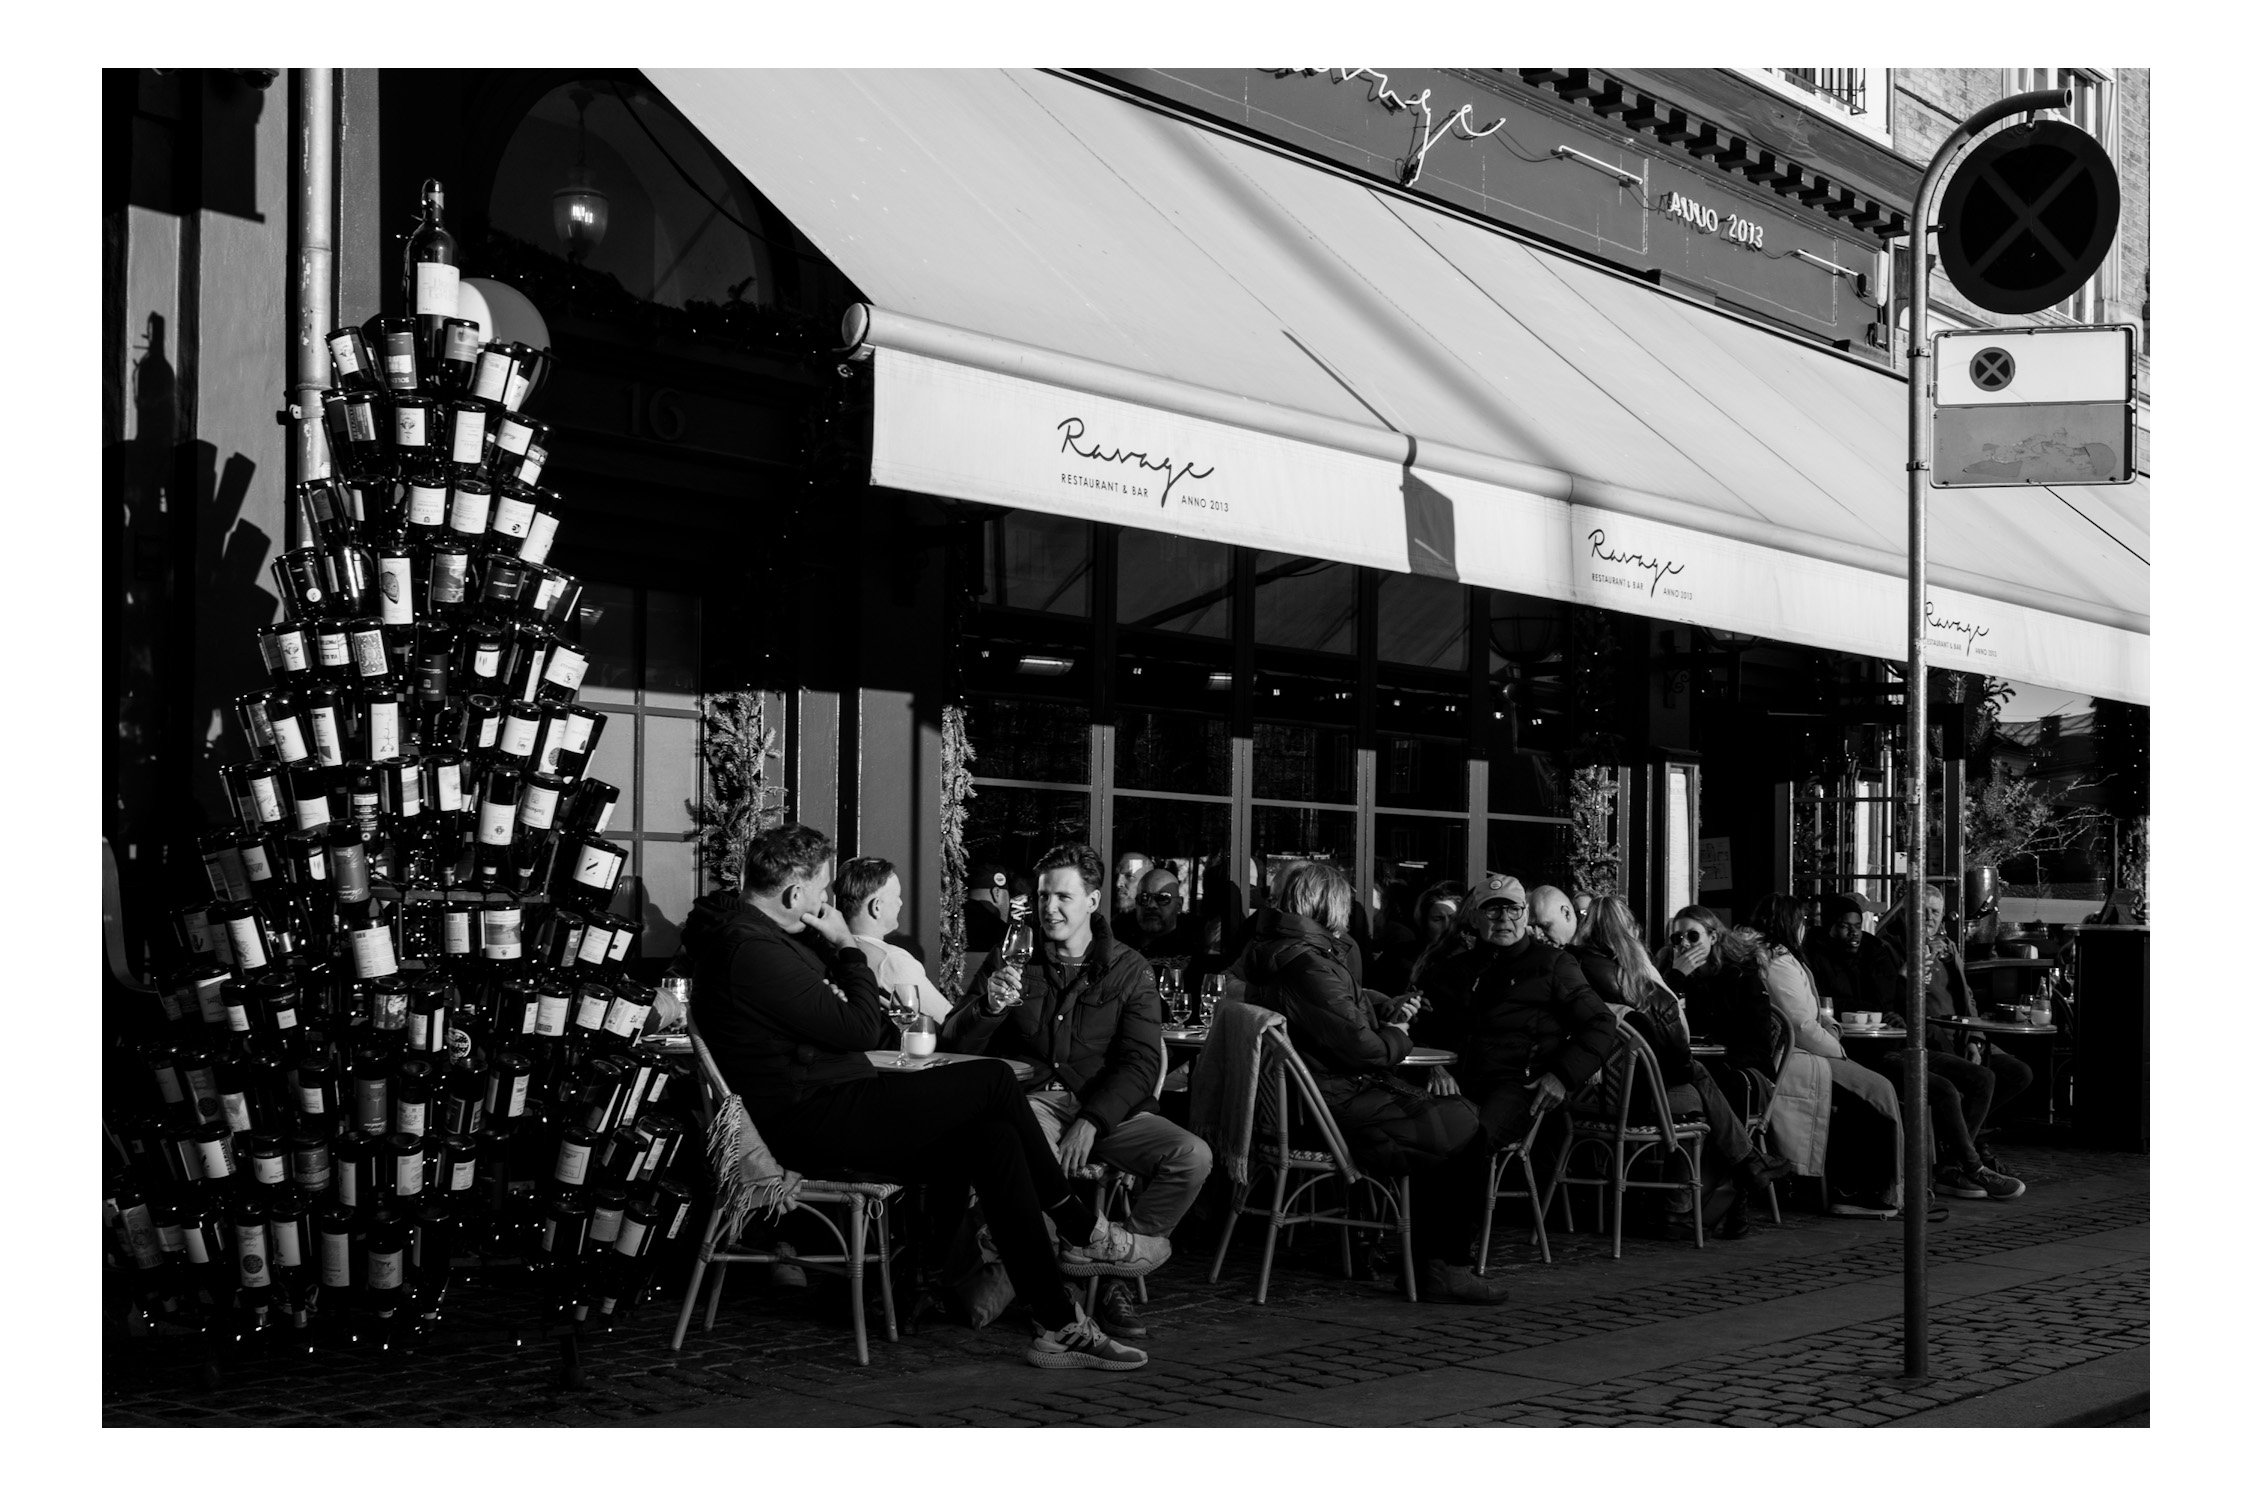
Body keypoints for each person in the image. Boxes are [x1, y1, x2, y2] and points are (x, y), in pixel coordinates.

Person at [681, 823, 1158, 1371]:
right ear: (793, 895)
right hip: (809, 1122)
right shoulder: (752, 950)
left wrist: (842, 977)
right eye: (822, 889)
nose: (828, 901)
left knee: (995, 1138)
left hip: (832, 1099)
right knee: (992, 1080)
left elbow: (849, 1026)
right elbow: (860, 1028)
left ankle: (1059, 1322)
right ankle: (1081, 1227)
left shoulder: (766, 941)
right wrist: (847, 947)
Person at [945, 843, 1214, 1341]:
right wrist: (988, 1007)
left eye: (1063, 897)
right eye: (1043, 896)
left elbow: (1140, 1063)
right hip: (1033, 1102)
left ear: (1092, 901)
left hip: (1106, 1108)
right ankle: (1056, 1291)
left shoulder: (1130, 968)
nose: (1049, 908)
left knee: (1191, 1156)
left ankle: (1110, 1271)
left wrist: (1093, 1120)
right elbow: (954, 1042)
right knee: (1028, 1159)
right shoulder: (1014, 955)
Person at [1235, 860, 1508, 1304]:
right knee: (1467, 1130)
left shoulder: (1275, 948)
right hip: (1333, 1107)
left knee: (1449, 1128)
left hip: (1307, 1104)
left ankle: (1424, 1263)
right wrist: (1398, 1034)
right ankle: (1444, 1267)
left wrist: (1380, 1006)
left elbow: (1335, 1011)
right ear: (1329, 905)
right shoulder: (1308, 963)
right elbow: (1365, 1049)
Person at [1573, 894, 1790, 1229]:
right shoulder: (1659, 973)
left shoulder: (1740, 976)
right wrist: (1677, 977)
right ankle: (1734, 1177)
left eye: (1692, 936)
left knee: (1721, 1084)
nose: (1684, 944)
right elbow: (1667, 1030)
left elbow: (1757, 1042)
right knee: (1702, 1090)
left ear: (1713, 936)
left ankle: (1724, 1197)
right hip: (1664, 1078)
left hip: (1744, 1069)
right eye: (1677, 938)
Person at [1418, 873, 1619, 1164]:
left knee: (1468, 1138)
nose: (1504, 919)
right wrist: (1434, 1067)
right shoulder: (1452, 970)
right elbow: (1423, 1027)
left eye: (1513, 909)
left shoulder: (1552, 964)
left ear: (1525, 916)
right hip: (1456, 1084)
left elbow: (1600, 1022)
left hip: (1518, 1088)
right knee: (1409, 1132)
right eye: (1493, 910)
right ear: (1474, 918)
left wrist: (1561, 1076)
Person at [1741, 894, 1915, 1220]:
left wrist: (1831, 1028)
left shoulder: (1781, 958)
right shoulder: (1777, 963)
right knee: (1878, 1092)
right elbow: (1800, 1025)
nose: (1807, 927)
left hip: (1808, 1052)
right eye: (1803, 921)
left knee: (1878, 1091)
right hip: (1798, 1059)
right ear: (1789, 924)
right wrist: (1836, 1046)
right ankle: (1871, 1190)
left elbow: (1811, 1014)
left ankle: (1878, 1186)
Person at [1874, 883, 2034, 1196]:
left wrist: (1975, 1038)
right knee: (1979, 1080)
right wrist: (1910, 970)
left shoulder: (1947, 947)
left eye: (1935, 912)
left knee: (2019, 1073)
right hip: (1927, 1039)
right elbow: (1887, 1002)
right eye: (1922, 911)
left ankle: (1964, 1143)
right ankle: (1958, 1162)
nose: (1929, 918)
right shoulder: (1888, 948)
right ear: (1906, 914)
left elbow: (1967, 997)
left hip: (1960, 1034)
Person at [834, 855, 951, 1024]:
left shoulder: (828, 949)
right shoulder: (891, 960)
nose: (900, 903)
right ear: (877, 907)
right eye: (897, 896)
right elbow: (950, 1022)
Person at [1110, 851, 1156, 950]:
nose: (1118, 883)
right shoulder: (1108, 922)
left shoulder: (1154, 927)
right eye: (1116, 875)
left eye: (1130, 877)